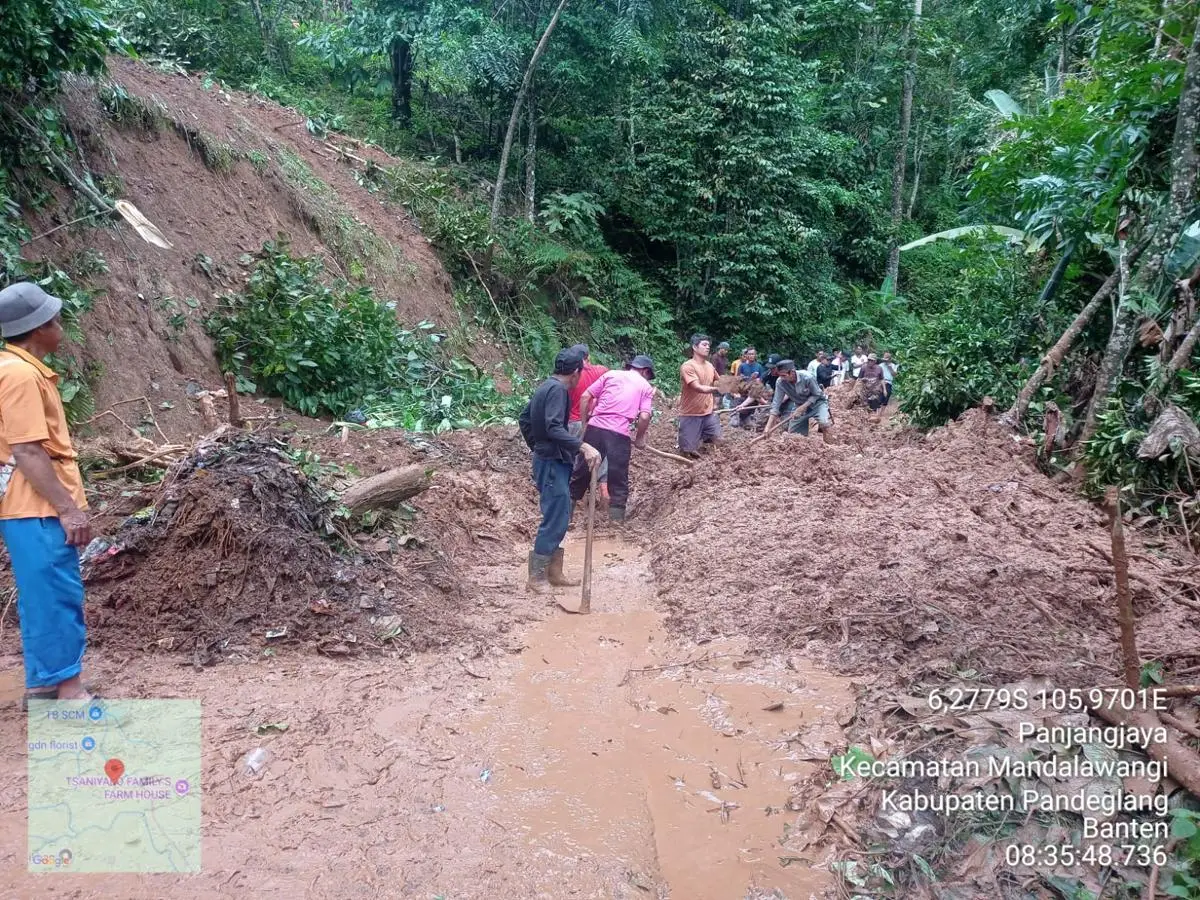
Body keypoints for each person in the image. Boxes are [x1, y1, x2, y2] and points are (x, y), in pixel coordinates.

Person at [0, 283, 95, 703]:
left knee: (41, 595)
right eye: (55, 321)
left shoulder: (19, 370)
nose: (61, 327)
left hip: (26, 505)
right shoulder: (20, 375)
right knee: (57, 594)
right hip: (36, 505)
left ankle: (43, 684)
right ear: (37, 329)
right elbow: (26, 449)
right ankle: (70, 692)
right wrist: (67, 509)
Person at [518, 347, 601, 592]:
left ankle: (554, 572)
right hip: (552, 462)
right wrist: (583, 446)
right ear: (576, 372)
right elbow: (554, 427)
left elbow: (524, 418)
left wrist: (537, 445)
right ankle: (536, 578)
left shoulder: (546, 386)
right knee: (555, 516)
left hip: (550, 459)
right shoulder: (558, 391)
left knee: (561, 512)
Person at [569, 355, 654, 523]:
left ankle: (564, 520)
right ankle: (616, 526)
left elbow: (586, 397)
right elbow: (644, 417)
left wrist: (586, 424)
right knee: (618, 477)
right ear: (645, 371)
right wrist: (639, 438)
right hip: (619, 434)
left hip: (595, 428)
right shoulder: (645, 386)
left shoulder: (611, 374)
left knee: (580, 473)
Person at [566, 344, 609, 499]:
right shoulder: (602, 371)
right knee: (599, 459)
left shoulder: (571, 374)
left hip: (574, 421)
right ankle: (604, 493)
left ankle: (570, 496)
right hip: (595, 422)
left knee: (572, 459)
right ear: (588, 357)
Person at [678, 333, 722, 457]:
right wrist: (716, 389)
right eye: (704, 344)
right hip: (691, 413)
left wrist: (736, 385)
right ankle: (691, 441)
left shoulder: (709, 366)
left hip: (708, 412)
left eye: (708, 345)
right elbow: (697, 387)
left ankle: (702, 441)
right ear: (695, 347)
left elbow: (719, 381)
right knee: (688, 451)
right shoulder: (688, 366)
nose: (707, 347)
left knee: (718, 440)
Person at [764, 360, 832, 439]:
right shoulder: (780, 382)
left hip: (818, 403)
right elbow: (776, 405)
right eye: (780, 376)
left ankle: (829, 446)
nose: (782, 378)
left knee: (824, 423)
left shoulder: (807, 377)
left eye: (784, 375)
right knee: (793, 436)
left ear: (792, 372)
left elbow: (817, 394)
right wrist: (767, 428)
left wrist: (803, 407)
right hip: (799, 405)